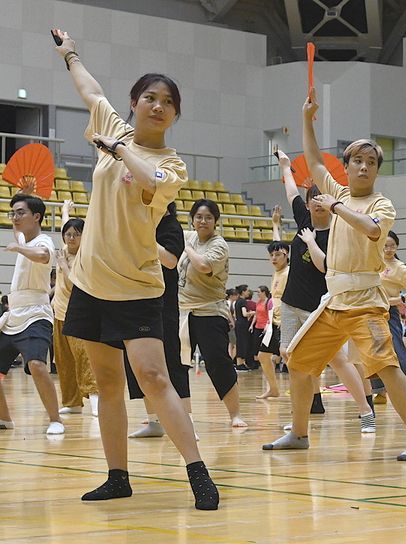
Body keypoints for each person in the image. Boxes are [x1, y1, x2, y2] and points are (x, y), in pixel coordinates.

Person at [52, 28, 217, 509]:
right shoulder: (112, 123)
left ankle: (198, 473)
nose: (158, 105)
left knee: (155, 379)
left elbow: (148, 180)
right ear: (135, 102)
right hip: (89, 284)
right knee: (107, 384)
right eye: (149, 97)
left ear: (175, 114)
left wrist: (120, 150)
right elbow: (91, 91)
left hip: (137, 286)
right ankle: (117, 476)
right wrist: (71, 55)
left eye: (168, 101)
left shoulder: (173, 164)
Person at [273, 89, 406, 460]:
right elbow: (311, 160)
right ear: (348, 165)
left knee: (387, 369)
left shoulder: (380, 203)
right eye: (356, 160)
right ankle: (299, 433)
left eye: (370, 162)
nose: (362, 166)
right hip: (333, 302)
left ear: (376, 169)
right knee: (297, 361)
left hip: (366, 303)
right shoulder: (336, 188)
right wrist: (307, 118)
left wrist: (337, 206)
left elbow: (373, 230)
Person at [269, 150, 374, 426]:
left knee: (338, 361)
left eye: (320, 199)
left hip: (320, 308)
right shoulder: (303, 220)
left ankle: (365, 411)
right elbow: (290, 190)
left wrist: (312, 243)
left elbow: (325, 267)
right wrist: (286, 166)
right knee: (290, 356)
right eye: (311, 200)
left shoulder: (338, 231)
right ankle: (301, 413)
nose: (316, 204)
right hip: (291, 303)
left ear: (329, 203)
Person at [125, 202, 193, 439]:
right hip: (136, 298)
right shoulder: (140, 224)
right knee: (138, 362)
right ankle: (154, 422)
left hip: (163, 304)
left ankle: (186, 421)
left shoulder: (171, 226)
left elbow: (170, 261)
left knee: (172, 360)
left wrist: (145, 239)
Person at [177, 199, 247, 428]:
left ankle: (235, 414)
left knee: (219, 364)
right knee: (178, 365)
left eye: (208, 217)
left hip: (210, 313)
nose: (203, 221)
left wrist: (185, 247)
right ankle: (184, 416)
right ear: (192, 219)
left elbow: (204, 266)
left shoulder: (219, 245)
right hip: (183, 313)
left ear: (215, 221)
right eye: (199, 216)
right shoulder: (189, 236)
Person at [0, 192, 63, 435]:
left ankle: (55, 419)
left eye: (20, 212)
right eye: (12, 212)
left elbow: (43, 256)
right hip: (12, 316)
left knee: (37, 364)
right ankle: (5, 419)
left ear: (37, 217)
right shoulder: (24, 238)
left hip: (36, 315)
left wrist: (19, 247)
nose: (14, 217)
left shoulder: (43, 241)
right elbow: (19, 234)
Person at [53, 208, 99, 417]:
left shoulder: (83, 256)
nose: (71, 238)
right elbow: (67, 223)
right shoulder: (65, 249)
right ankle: (72, 402)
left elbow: (73, 286)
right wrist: (65, 211)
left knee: (83, 358)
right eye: (68, 234)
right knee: (63, 360)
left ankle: (96, 400)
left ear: (84, 236)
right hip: (59, 313)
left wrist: (63, 265)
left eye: (76, 234)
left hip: (77, 316)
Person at [375, 229, 406, 397]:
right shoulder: (374, 259)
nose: (389, 249)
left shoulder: (400, 267)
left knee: (397, 347)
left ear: (397, 247)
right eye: (386, 246)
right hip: (371, 310)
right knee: (374, 349)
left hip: (389, 312)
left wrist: (399, 299)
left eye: (392, 246)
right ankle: (379, 390)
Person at [257, 241, 290, 398]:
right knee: (263, 356)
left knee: (289, 359)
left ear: (286, 255)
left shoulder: (289, 272)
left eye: (277, 255)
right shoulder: (277, 273)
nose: (274, 258)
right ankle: (274, 389)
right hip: (273, 323)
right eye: (271, 255)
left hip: (286, 323)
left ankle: (303, 394)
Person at [233, 285, 254, 371]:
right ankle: (240, 363)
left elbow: (235, 314)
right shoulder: (243, 302)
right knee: (243, 343)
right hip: (243, 325)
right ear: (243, 292)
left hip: (238, 323)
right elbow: (244, 314)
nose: (248, 292)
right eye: (247, 291)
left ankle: (240, 362)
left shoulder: (237, 301)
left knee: (239, 343)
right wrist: (253, 313)